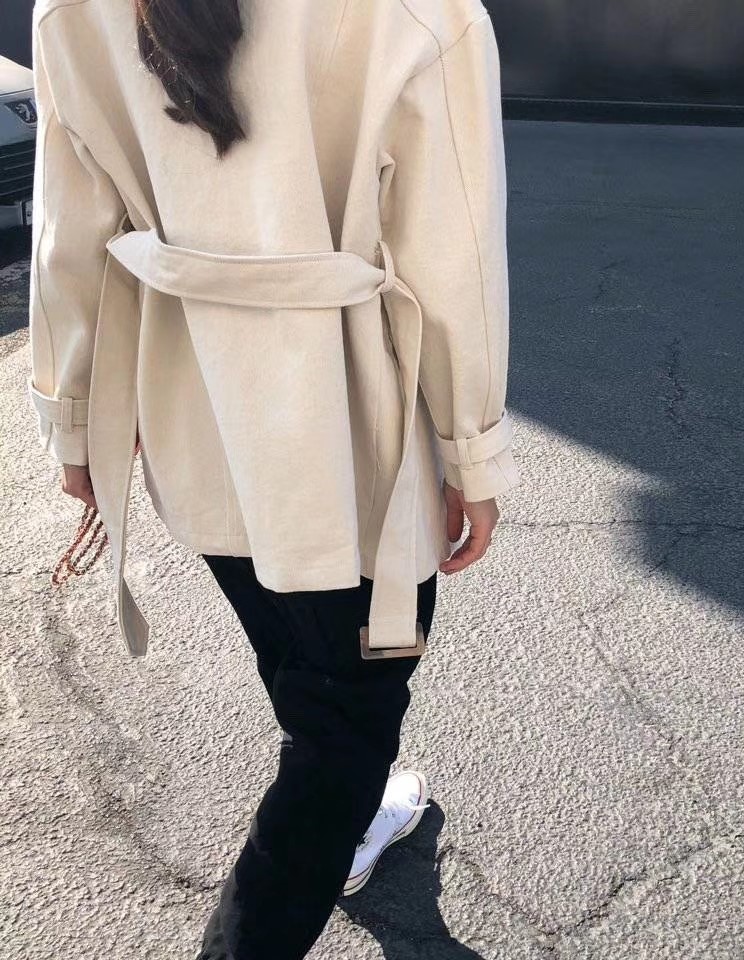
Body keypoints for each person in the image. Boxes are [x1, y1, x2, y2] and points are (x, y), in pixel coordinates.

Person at [26, 0, 521, 956]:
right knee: (348, 721)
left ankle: (351, 817)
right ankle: (316, 842)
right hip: (349, 428)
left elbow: (67, 232)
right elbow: (452, 246)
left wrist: (77, 422)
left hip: (192, 404)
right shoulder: (419, 10)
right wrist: (470, 445)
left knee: (302, 660)